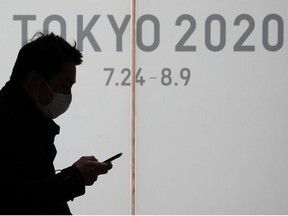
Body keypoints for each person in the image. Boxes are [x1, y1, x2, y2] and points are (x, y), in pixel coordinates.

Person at [0, 32, 112, 215]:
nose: (68, 96)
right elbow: (16, 199)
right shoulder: (6, 125)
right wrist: (73, 178)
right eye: (64, 85)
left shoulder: (33, 125)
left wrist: (74, 175)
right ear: (35, 80)